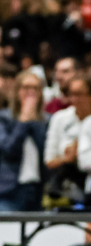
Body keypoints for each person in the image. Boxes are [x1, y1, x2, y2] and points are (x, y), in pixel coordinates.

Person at [0, 70, 47, 211]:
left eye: (35, 88)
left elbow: (46, 153)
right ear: (17, 91)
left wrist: (34, 121)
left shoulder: (48, 120)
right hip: (8, 191)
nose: (30, 92)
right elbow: (9, 150)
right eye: (26, 87)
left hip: (38, 191)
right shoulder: (3, 118)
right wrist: (23, 120)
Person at [44, 73, 91, 194]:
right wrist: (67, 159)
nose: (74, 99)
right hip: (67, 185)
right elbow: (49, 160)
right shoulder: (60, 118)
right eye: (71, 94)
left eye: (79, 94)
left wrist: (79, 151)